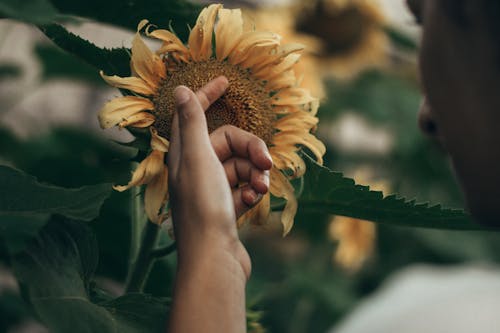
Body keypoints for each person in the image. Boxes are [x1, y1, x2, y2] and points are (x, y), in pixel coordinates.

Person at [167, 0, 500, 331]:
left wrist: (209, 255)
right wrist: (217, 254)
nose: (424, 115)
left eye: (422, 21)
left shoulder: (437, 319)